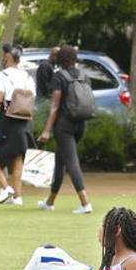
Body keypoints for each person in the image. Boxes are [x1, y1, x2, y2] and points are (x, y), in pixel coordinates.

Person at [37, 45, 93, 214]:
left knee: (71, 162)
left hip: (64, 126)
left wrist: (47, 130)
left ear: (60, 58)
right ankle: (49, 202)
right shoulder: (85, 76)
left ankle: (85, 203)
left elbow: (55, 106)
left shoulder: (58, 77)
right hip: (82, 124)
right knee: (60, 161)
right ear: (74, 59)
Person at [0, 43, 36, 206]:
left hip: (6, 119)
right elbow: (31, 99)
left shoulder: (2, 76)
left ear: (7, 58)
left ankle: (6, 186)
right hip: (24, 121)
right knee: (17, 157)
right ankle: (18, 196)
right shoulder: (28, 77)